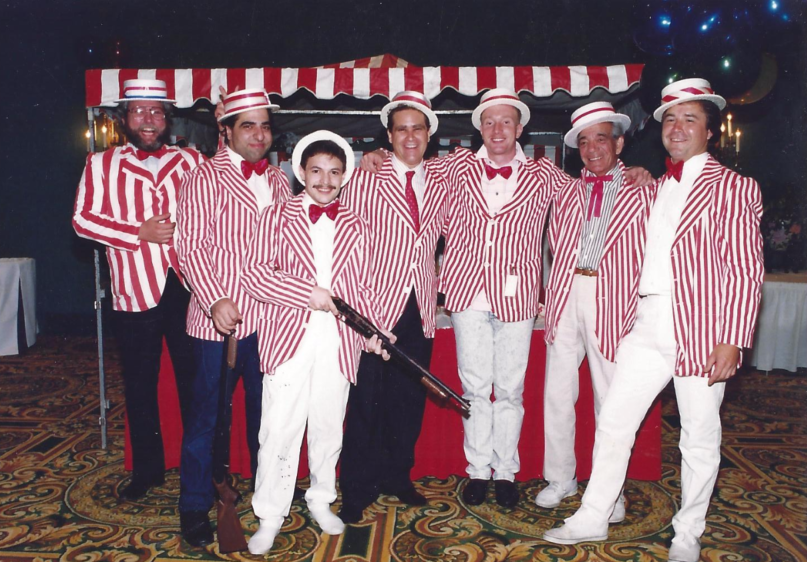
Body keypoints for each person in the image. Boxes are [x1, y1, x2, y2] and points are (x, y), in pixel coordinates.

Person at [543, 78, 764, 562]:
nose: (678, 128)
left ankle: (688, 532)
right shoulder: (655, 187)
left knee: (698, 438)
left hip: (703, 330)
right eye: (670, 119)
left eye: (690, 119)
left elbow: (747, 271)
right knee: (615, 420)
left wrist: (733, 339)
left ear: (710, 130)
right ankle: (593, 515)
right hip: (646, 322)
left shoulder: (736, 188)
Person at [240, 131, 391, 555]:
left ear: (345, 176)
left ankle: (321, 498)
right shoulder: (275, 215)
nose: (325, 181)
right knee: (279, 429)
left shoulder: (358, 223)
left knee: (328, 428)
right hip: (288, 337)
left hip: (339, 342)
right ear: (300, 172)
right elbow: (255, 275)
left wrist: (376, 331)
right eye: (316, 171)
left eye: (335, 172)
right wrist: (307, 294)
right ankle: (270, 514)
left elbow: (364, 288)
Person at [73, 79, 202, 501]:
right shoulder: (100, 164)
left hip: (185, 287)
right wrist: (138, 232)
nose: (149, 120)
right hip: (133, 290)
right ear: (124, 118)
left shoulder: (190, 162)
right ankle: (147, 469)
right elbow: (83, 220)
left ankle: (196, 466)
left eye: (156, 112)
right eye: (139, 112)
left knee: (192, 382)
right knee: (141, 384)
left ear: (167, 119)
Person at [175, 88, 290, 547]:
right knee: (205, 420)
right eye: (248, 125)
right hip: (215, 328)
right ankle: (194, 504)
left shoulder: (281, 181)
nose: (259, 134)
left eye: (264, 125)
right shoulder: (204, 178)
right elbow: (190, 246)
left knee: (267, 419)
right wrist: (213, 298)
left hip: (270, 327)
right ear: (225, 131)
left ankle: (268, 496)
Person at [337, 91, 450, 523]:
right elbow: (345, 243)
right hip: (373, 307)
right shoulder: (363, 177)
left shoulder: (440, 180)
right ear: (388, 135)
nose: (409, 136)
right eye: (400, 128)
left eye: (417, 128)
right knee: (367, 400)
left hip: (418, 307)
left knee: (408, 400)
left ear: (428, 135)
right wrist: (360, 312)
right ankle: (356, 487)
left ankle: (397, 477)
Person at [536, 102, 651, 524]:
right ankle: (560, 478)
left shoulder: (643, 188)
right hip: (568, 296)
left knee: (610, 400)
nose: (592, 148)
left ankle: (610, 491)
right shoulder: (565, 192)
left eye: (601, 138)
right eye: (583, 141)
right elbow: (554, 247)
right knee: (558, 394)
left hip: (612, 300)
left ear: (619, 143)